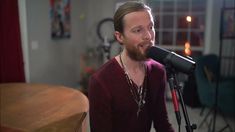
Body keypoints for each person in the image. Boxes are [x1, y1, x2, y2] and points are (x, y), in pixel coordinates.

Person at [88, 1, 174, 132]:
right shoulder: (100, 81)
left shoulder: (158, 72)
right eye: (138, 30)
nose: (148, 36)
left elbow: (162, 123)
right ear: (120, 37)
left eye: (151, 27)